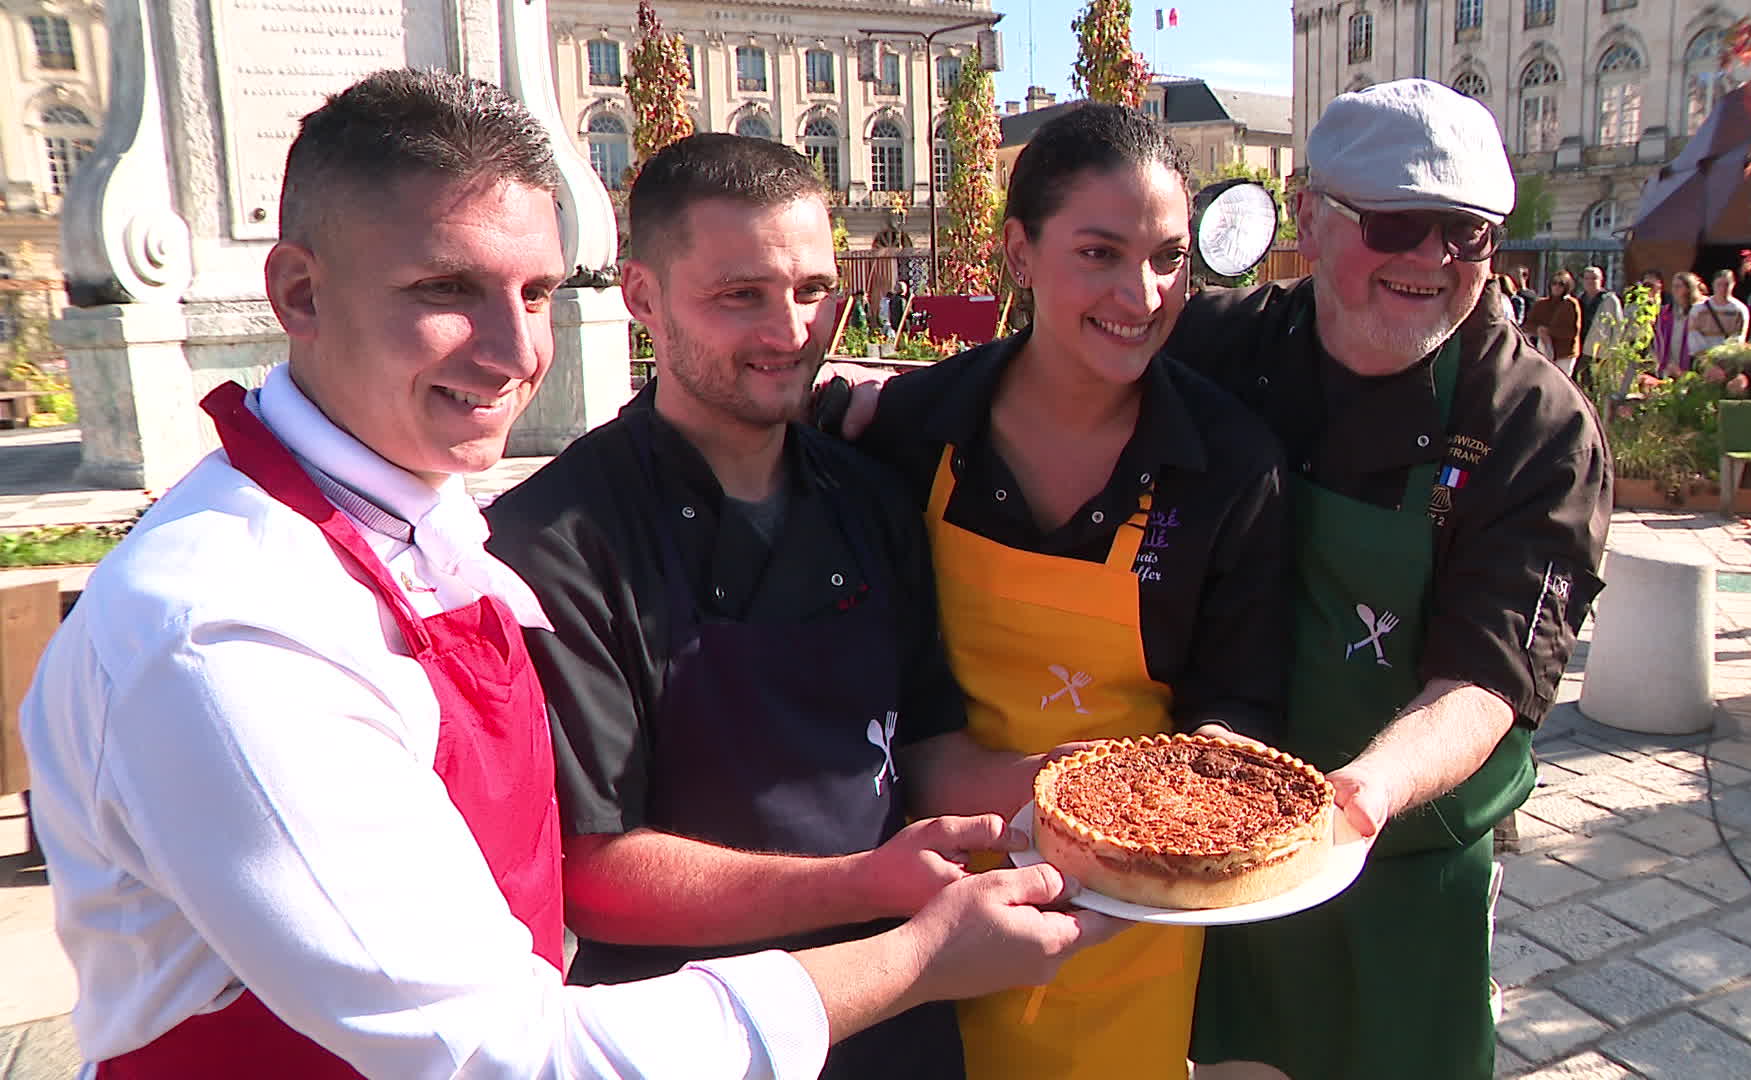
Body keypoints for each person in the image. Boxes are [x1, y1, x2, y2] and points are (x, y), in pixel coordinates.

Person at [19, 69, 1115, 1079]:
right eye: (448, 286)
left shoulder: (429, 533)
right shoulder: (225, 628)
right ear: (298, 293)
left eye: (537, 291)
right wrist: (911, 952)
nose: (512, 351)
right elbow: (501, 1053)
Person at [484, 133, 1081, 1080]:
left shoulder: (873, 499)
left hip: (899, 1022)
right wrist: (865, 884)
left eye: (812, 289)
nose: (793, 329)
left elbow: (925, 754)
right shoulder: (552, 543)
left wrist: (1075, 788)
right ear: (641, 296)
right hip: (686, 1036)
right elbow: (593, 877)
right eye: (742, 296)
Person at [1160, 78, 1610, 1080]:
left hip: (1409, 867)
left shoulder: (1533, 426)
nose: (1434, 260)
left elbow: (1488, 677)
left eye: (1470, 234)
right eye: (1400, 223)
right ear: (1312, 218)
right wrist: (879, 410)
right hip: (1218, 851)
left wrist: (1364, 794)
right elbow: (1046, 376)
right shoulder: (1222, 349)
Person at [855, 104, 1292, 1080]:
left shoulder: (1228, 466)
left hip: (1131, 905)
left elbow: (1238, 701)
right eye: (1099, 252)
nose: (1141, 293)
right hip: (929, 894)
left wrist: (1162, 807)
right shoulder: (914, 432)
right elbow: (891, 700)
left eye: (1170, 257)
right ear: (1019, 251)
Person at [1519, 269, 1582, 374]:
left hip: (1564, 354)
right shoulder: (1541, 304)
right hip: (1542, 351)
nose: (1557, 287)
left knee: (1560, 385)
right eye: (1554, 283)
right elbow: (1527, 325)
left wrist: (1548, 331)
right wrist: (1539, 330)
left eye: (1561, 284)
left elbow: (1572, 332)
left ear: (1567, 286)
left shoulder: (1570, 304)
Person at [1687, 268, 1750, 363]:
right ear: (1713, 285)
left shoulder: (1739, 309)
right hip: (1702, 359)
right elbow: (1693, 335)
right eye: (1719, 284)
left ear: (1733, 285)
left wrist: (1725, 353)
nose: (1723, 288)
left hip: (1727, 359)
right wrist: (1703, 355)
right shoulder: (1698, 309)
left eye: (1727, 284)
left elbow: (1739, 336)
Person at [1576, 265, 1625, 385]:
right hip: (1582, 350)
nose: (1590, 281)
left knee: (1601, 386)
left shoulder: (1610, 299)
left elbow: (1619, 326)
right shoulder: (1579, 299)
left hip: (1602, 353)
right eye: (1587, 278)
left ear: (1601, 280)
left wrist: (1613, 350)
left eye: (1594, 278)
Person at [1655, 271, 1707, 376]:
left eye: (1678, 286)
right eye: (1673, 286)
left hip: (1692, 369)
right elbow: (1660, 341)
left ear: (1689, 289)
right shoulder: (1666, 313)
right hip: (1670, 368)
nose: (1674, 290)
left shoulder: (1701, 312)